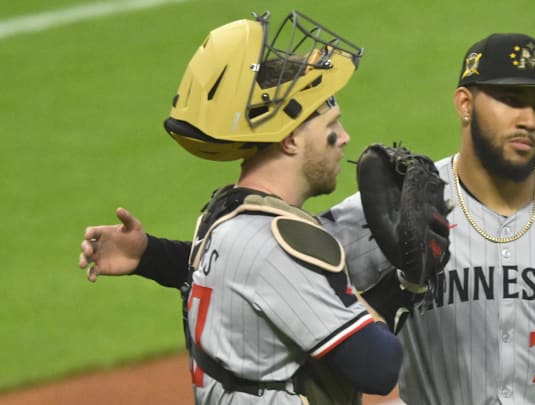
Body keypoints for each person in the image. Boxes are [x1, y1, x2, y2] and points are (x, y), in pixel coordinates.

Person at [80, 32, 535, 404]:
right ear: (466, 103)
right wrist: (153, 255)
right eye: (510, 100)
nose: (528, 118)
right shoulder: (403, 206)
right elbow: (268, 269)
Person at [81, 10, 405, 405]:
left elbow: (229, 272)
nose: (344, 138)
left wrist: (149, 254)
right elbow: (378, 366)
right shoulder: (276, 245)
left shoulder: (225, 212)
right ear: (289, 140)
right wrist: (406, 285)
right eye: (332, 126)